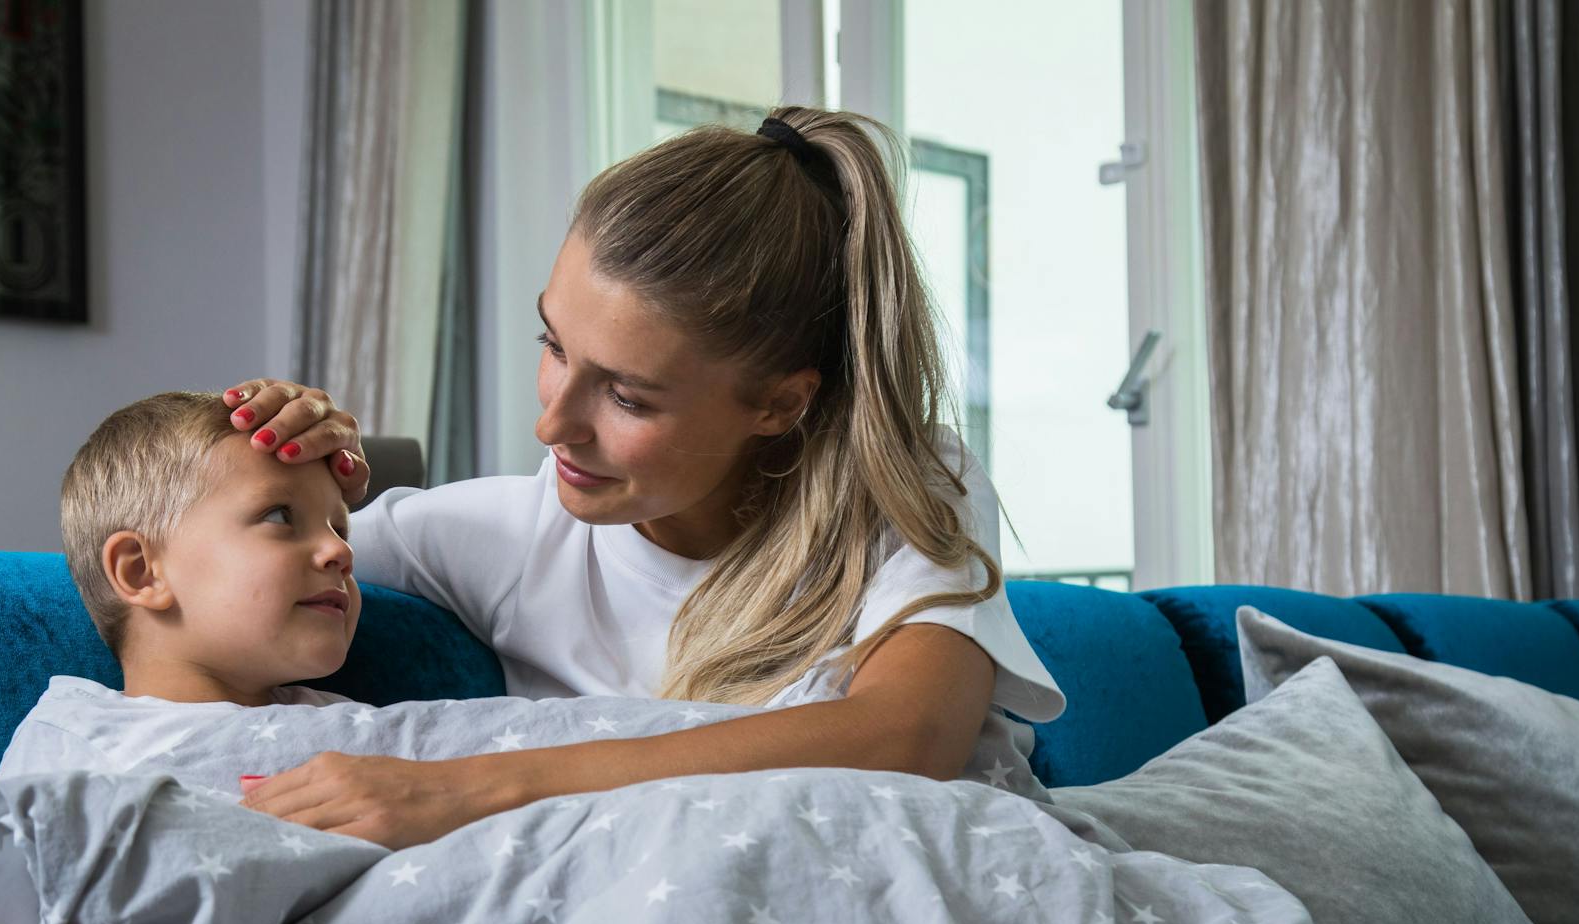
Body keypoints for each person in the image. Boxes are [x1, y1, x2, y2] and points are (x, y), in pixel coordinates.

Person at [216, 106, 1066, 848]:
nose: (551, 425)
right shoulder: (505, 539)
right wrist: (289, 470)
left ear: (778, 402)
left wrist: (471, 786)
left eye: (626, 394)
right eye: (553, 345)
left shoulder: (908, 487)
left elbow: (906, 737)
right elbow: (209, 560)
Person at [0, 389, 363, 924]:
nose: (338, 551)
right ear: (141, 570)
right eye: (282, 516)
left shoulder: (351, 728)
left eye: (343, 528)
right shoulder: (73, 740)